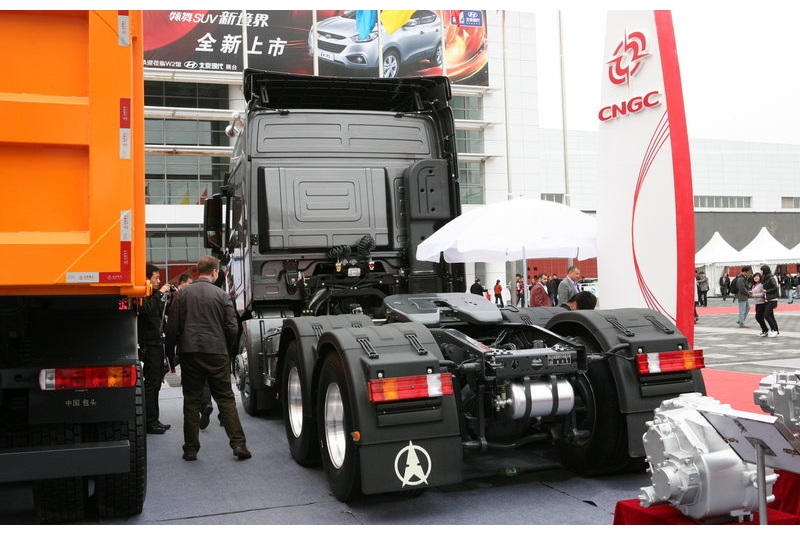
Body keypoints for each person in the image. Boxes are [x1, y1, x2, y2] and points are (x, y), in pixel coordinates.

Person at [166, 255, 252, 461]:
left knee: (191, 401)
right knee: (225, 398)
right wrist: (226, 349)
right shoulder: (222, 295)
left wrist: (170, 353)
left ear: (198, 271)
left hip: (189, 352)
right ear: (214, 272)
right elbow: (232, 327)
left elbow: (172, 327)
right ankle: (238, 444)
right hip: (216, 351)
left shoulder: (182, 294)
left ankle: (190, 449)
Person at [137, 264, 173, 435]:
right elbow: (146, 310)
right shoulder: (142, 295)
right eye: (156, 278)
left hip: (158, 343)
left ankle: (154, 419)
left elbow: (162, 314)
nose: (159, 281)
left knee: (156, 383)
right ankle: (150, 422)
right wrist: (159, 294)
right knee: (151, 384)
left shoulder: (154, 295)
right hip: (149, 345)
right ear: (147, 279)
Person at [760, 265, 780, 337]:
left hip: (772, 299)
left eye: (761, 270)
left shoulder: (771, 278)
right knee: (771, 316)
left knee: (766, 315)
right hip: (768, 299)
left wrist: (766, 291)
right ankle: (776, 331)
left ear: (765, 270)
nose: (761, 272)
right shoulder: (765, 278)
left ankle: (774, 330)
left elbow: (775, 288)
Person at [749, 272, 768, 336]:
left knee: (758, 317)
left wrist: (754, 295)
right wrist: (751, 292)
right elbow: (753, 292)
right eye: (754, 277)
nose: (755, 278)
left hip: (762, 303)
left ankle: (765, 330)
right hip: (757, 303)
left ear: (760, 277)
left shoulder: (761, 285)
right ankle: (764, 330)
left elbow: (763, 294)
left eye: (757, 276)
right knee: (760, 317)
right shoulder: (754, 285)